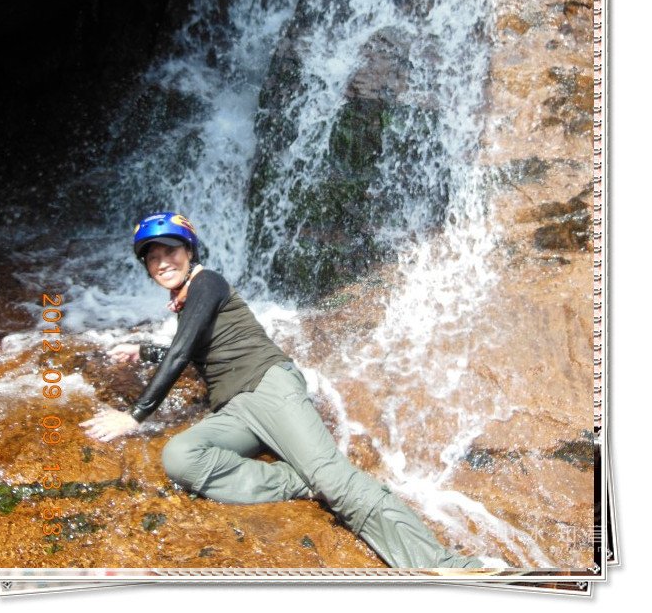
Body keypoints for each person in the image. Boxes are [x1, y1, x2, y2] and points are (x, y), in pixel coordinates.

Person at [81, 211, 485, 569]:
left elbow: (183, 349)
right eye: (152, 257)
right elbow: (194, 347)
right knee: (181, 456)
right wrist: (143, 350)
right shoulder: (189, 299)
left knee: (337, 481)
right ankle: (300, 482)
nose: (162, 262)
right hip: (235, 408)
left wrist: (134, 415)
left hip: (267, 385)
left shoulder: (207, 282)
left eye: (170, 251)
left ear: (189, 252)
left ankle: (447, 566)